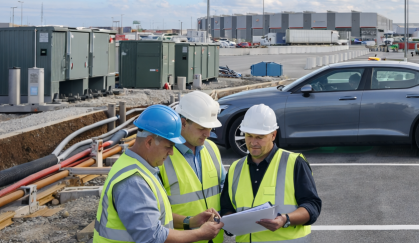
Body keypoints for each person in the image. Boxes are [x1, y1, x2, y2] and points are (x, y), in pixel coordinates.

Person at [94, 105, 223, 243]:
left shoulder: (138, 166)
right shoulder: (134, 181)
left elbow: (158, 218)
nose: (172, 153)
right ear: (149, 142)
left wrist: (190, 222)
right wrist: (200, 234)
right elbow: (153, 236)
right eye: (168, 146)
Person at [220, 104, 321, 242]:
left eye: (260, 137)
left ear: (273, 135)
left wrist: (285, 219)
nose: (253, 142)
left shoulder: (294, 163)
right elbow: (227, 207)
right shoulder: (235, 168)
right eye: (249, 136)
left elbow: (312, 206)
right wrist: (229, 223)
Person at [159, 92, 226, 243]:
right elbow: (155, 216)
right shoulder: (162, 156)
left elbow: (224, 188)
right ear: (183, 123)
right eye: (202, 128)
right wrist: (189, 222)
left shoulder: (212, 149)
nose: (208, 134)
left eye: (210, 128)